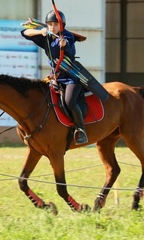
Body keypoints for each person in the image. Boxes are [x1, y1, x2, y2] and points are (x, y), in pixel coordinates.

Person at [21, 10, 88, 145]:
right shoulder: (45, 37)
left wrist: (63, 45)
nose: (52, 27)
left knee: (69, 101)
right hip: (56, 78)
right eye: (50, 24)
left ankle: (81, 129)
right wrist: (40, 31)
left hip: (72, 76)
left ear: (61, 25)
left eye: (55, 24)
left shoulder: (67, 36)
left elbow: (67, 44)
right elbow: (25, 33)